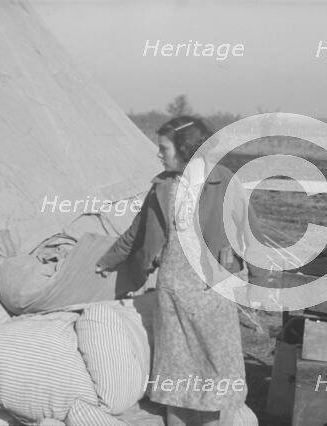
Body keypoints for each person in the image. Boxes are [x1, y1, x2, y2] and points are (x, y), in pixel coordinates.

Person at [95, 116, 268, 425]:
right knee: (176, 375)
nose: (159, 154)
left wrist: (259, 282)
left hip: (212, 293)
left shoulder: (224, 181)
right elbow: (136, 233)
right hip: (172, 292)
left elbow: (249, 233)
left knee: (211, 374)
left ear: (186, 148)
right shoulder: (162, 186)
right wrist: (107, 261)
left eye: (164, 147)